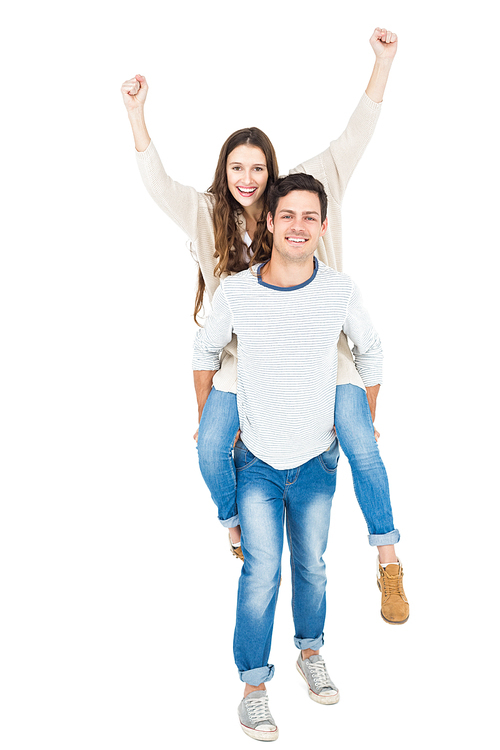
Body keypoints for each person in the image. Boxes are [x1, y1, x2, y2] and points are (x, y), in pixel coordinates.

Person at [120, 28, 407, 621]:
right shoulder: (206, 214)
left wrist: (382, 63)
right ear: (224, 171)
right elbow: (156, 185)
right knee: (207, 450)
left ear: (272, 171)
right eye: (236, 167)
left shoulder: (301, 197)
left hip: (323, 353)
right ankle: (235, 528)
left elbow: (358, 133)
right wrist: (136, 113)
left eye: (256, 167)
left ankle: (388, 559)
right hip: (239, 366)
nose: (246, 178)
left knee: (360, 442)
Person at [193, 174, 405, 741]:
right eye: (287, 215)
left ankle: (310, 652)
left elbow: (373, 352)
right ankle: (254, 690)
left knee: (310, 567)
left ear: (323, 227)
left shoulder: (338, 290)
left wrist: (359, 417)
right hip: (257, 463)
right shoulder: (237, 292)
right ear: (269, 221)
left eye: (310, 217)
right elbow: (205, 351)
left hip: (316, 463)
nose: (298, 226)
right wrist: (209, 418)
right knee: (262, 576)